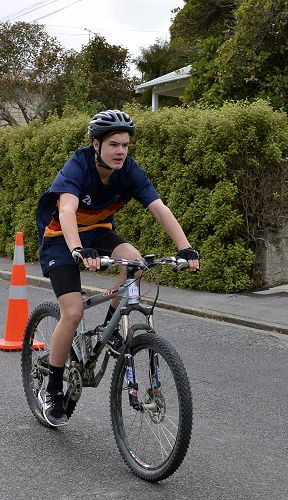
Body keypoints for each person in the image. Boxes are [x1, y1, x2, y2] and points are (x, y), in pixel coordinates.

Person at [35, 109, 199, 427]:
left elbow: (158, 208)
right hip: (60, 239)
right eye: (114, 144)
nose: (121, 151)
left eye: (125, 144)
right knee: (72, 312)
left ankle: (111, 328)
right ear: (96, 144)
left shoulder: (129, 171)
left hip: (98, 233)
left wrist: (185, 248)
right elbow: (67, 210)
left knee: (135, 262)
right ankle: (53, 389)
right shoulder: (78, 165)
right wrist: (77, 250)